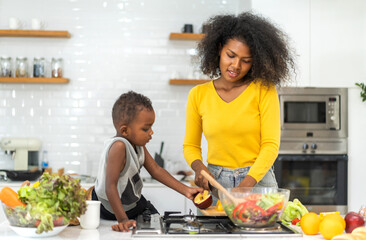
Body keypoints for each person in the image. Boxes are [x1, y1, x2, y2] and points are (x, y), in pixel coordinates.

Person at [183, 12, 296, 197]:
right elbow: (190, 146)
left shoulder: (264, 90)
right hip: (214, 183)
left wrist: (246, 184)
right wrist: (199, 169)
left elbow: (270, 145)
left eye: (246, 61)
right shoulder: (198, 94)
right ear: (219, 49)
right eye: (230, 55)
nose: (236, 65)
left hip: (257, 181)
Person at [93, 91, 202, 232]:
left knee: (156, 220)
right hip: (110, 206)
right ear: (125, 130)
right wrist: (123, 220)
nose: (151, 132)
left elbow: (156, 170)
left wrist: (186, 190)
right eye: (146, 128)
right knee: (152, 221)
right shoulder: (119, 146)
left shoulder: (138, 145)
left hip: (131, 203)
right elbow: (110, 187)